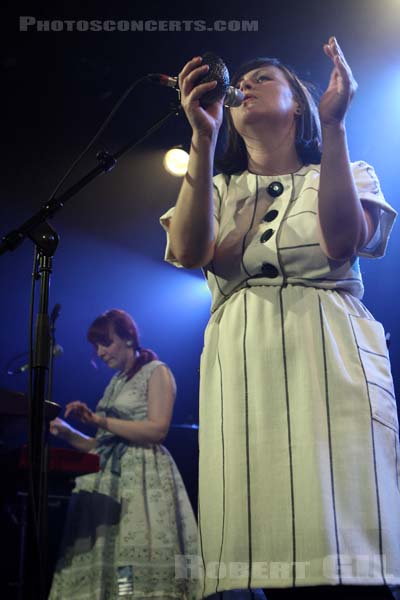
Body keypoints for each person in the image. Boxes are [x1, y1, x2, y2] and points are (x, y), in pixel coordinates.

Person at [160, 37, 400, 599]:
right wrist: (202, 136)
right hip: (245, 370)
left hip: (327, 360)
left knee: (344, 547)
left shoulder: (346, 169)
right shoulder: (217, 187)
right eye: (242, 82)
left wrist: (336, 128)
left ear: (302, 104)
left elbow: (341, 241)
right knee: (269, 553)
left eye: (266, 77)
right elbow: (189, 252)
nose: (247, 84)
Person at [48, 309, 198, 600]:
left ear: (128, 338)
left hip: (142, 479)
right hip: (108, 483)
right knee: (112, 565)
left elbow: (157, 430)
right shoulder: (115, 383)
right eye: (96, 347)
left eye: (106, 343)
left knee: (134, 568)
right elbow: (100, 446)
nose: (100, 352)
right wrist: (69, 433)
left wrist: (99, 421)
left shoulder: (157, 371)